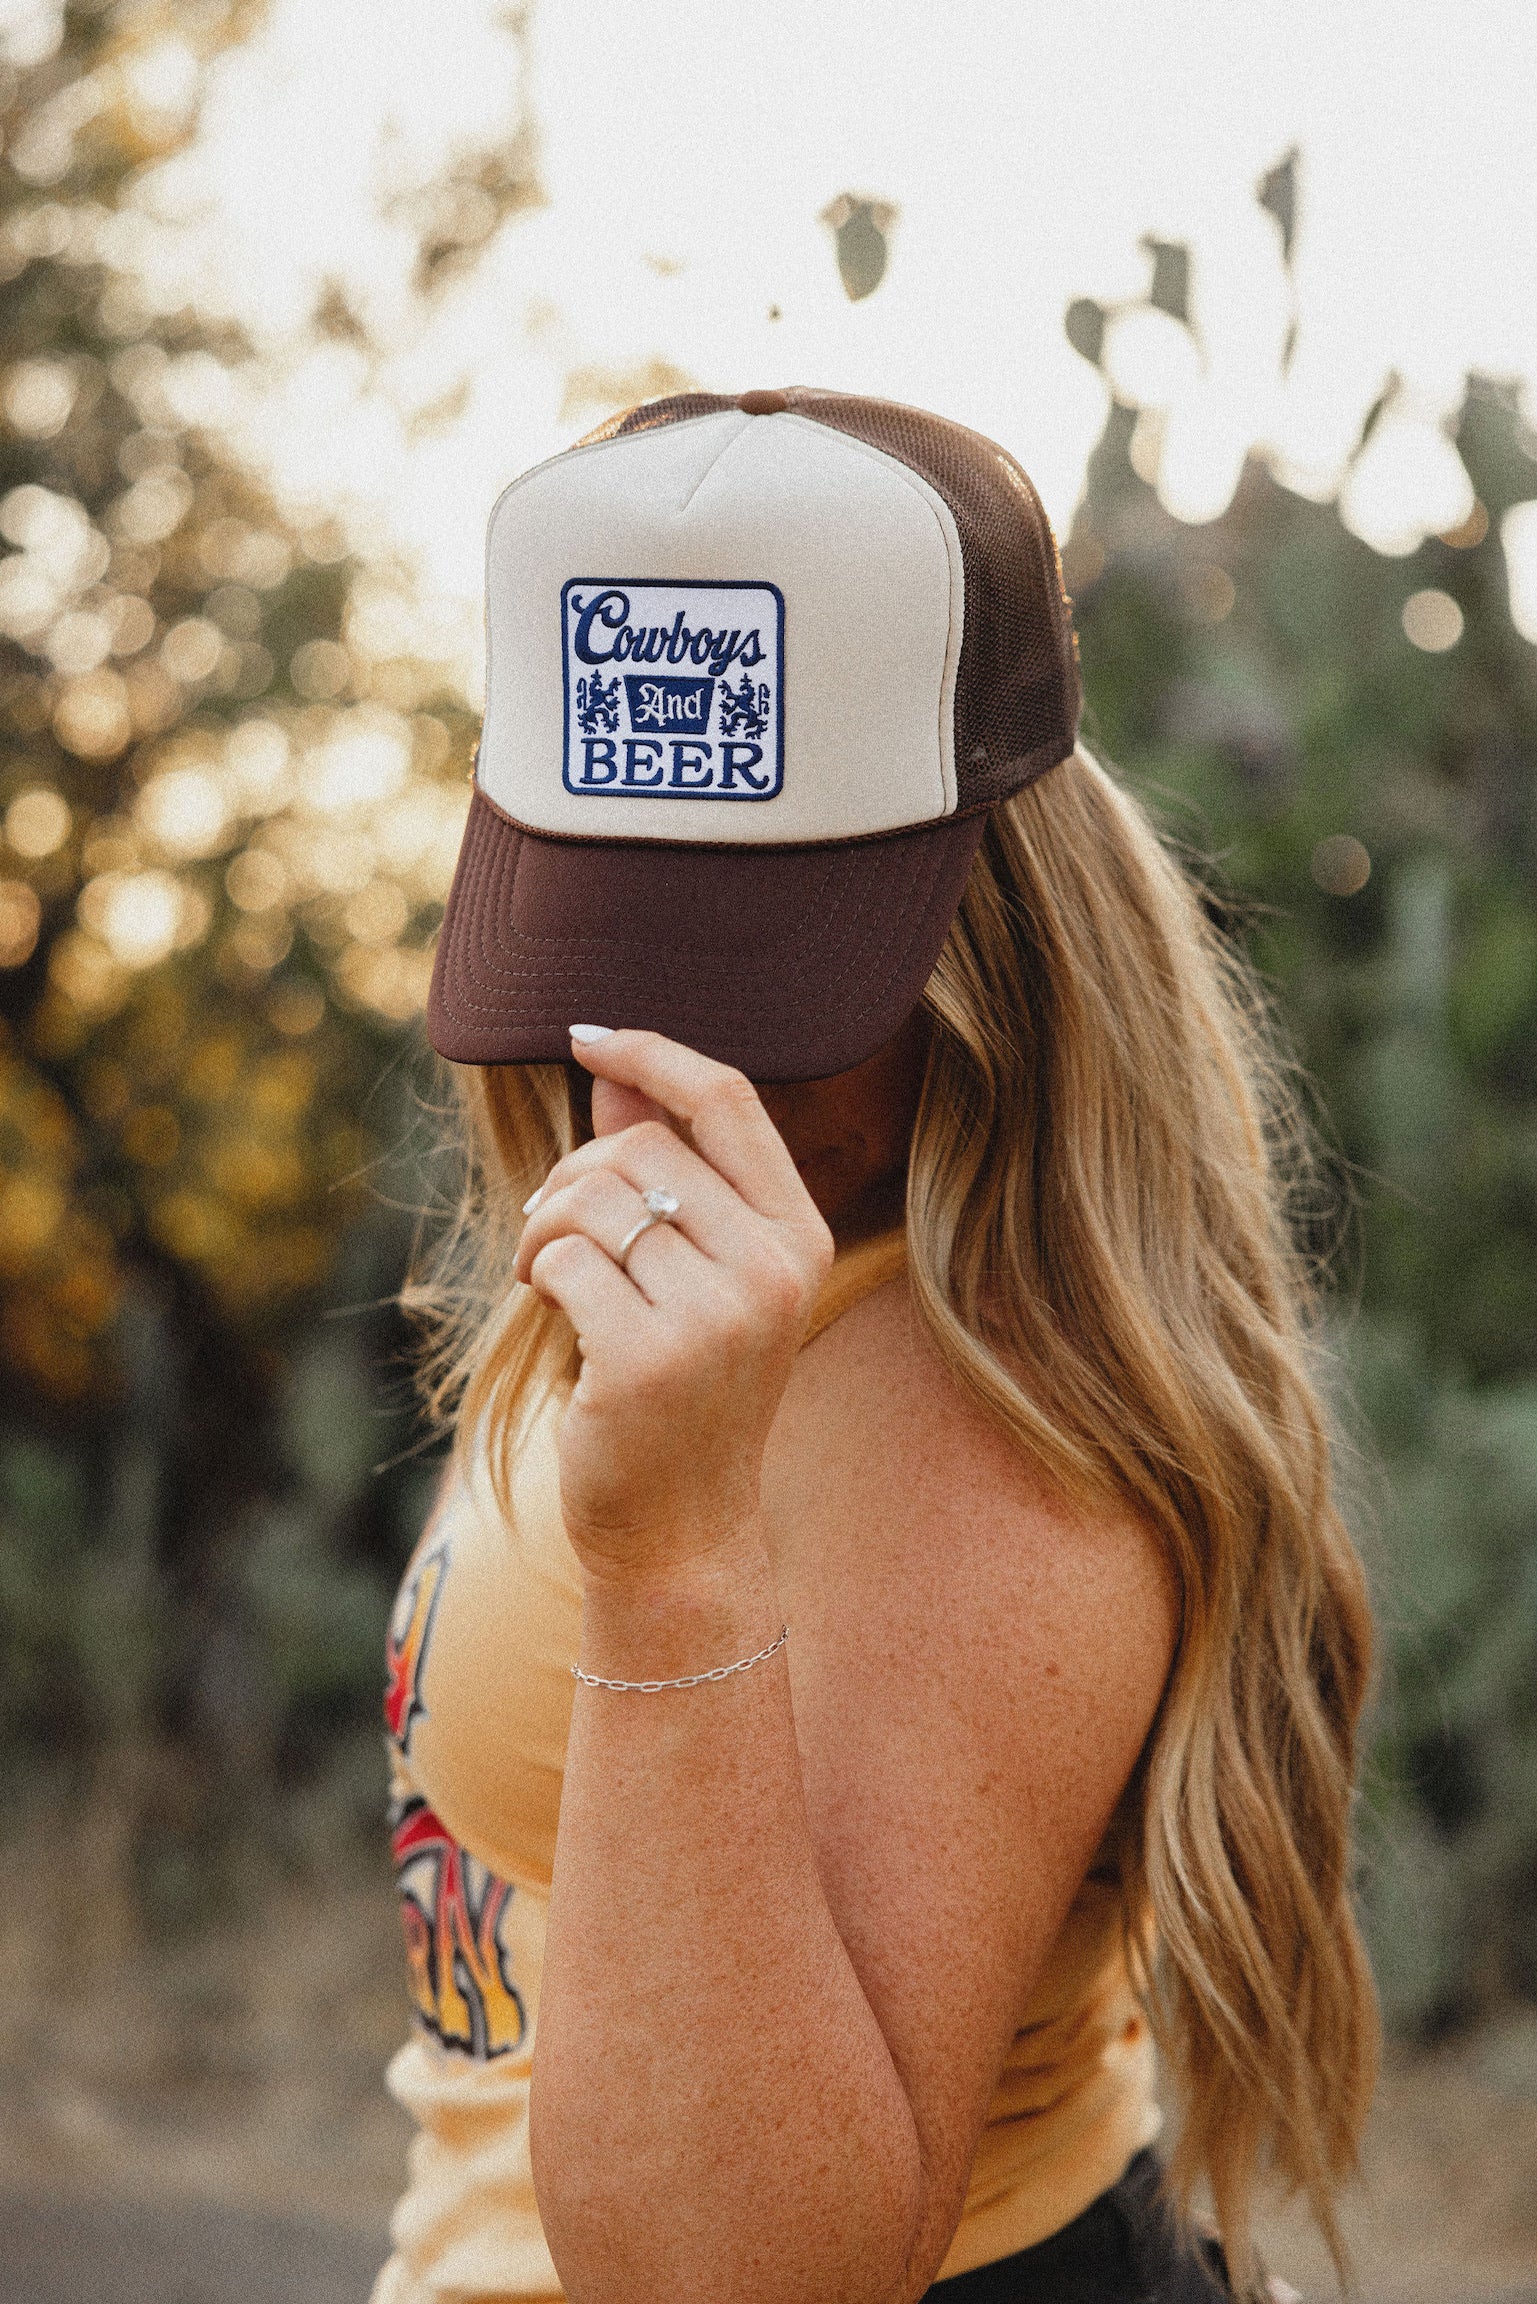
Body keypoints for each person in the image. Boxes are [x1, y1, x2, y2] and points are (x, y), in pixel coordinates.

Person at [372, 388, 1378, 2304]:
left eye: (761, 979)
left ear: (997, 933)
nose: (660, 1074)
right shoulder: (736, 1285)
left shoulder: (976, 1427)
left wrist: (673, 1564)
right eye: (605, 951)